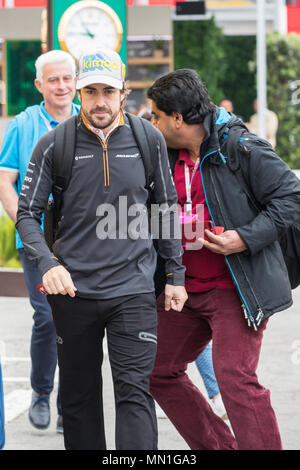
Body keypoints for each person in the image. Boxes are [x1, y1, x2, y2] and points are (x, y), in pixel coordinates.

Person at [16, 47, 187, 450]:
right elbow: (27, 214)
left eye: (108, 92)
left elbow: (165, 207)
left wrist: (176, 274)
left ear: (123, 93)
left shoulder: (149, 140)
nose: (99, 101)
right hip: (72, 292)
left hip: (133, 290)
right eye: (90, 91)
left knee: (134, 394)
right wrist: (48, 263)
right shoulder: (53, 145)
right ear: (78, 92)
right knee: (79, 399)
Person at [147, 68, 300, 450]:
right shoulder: (162, 153)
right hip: (180, 288)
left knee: (233, 375)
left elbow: (292, 198)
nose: (151, 123)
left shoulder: (241, 146)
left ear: (177, 119)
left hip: (236, 287)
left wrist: (244, 238)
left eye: (156, 116)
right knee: (158, 370)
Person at [0, 50, 79, 433]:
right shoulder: (24, 124)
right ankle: (42, 392)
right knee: (47, 318)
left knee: (78, 322)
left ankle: (69, 404)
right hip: (37, 242)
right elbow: (5, 181)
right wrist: (28, 227)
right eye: (53, 79)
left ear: (76, 81)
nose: (61, 86)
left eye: (67, 78)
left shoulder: (89, 121)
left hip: (82, 242)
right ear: (39, 85)